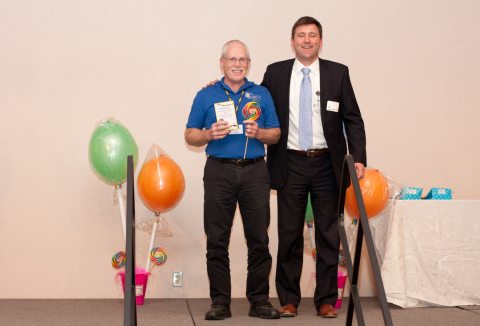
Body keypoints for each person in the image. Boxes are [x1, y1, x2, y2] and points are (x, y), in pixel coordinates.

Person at [261, 16, 367, 318]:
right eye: (300, 35)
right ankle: (289, 299)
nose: (306, 40)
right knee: (289, 233)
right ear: (292, 41)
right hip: (289, 162)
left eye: (312, 35)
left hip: (327, 165)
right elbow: (254, 103)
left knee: (329, 235)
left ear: (320, 41)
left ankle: (325, 300)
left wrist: (357, 157)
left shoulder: (338, 73)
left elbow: (353, 119)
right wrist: (221, 87)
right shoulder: (276, 72)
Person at [185, 40, 281, 320]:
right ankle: (220, 302)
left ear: (248, 64)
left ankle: (260, 300)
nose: (238, 64)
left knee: (259, 239)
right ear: (222, 63)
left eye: (243, 60)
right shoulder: (206, 95)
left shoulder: (262, 94)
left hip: (255, 171)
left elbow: (275, 132)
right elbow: (189, 134)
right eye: (232, 59)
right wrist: (207, 134)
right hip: (218, 171)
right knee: (216, 239)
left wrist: (260, 134)